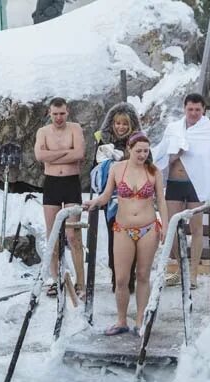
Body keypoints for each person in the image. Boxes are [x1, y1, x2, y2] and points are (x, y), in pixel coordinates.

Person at [84, 132, 169, 336]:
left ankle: (140, 320)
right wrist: (94, 202)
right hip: (122, 228)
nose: (142, 155)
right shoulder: (117, 168)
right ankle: (121, 320)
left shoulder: (154, 171)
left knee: (142, 275)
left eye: (146, 151)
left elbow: (161, 201)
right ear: (129, 149)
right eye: (138, 150)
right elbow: (105, 196)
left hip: (148, 228)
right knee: (121, 278)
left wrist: (165, 225)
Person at [153, 94, 210, 288]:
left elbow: (204, 155)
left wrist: (185, 148)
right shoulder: (173, 128)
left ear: (203, 110)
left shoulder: (207, 129)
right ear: (184, 108)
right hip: (174, 181)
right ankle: (181, 270)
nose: (194, 113)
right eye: (190, 109)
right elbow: (162, 153)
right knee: (172, 226)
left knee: (196, 228)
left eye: (198, 110)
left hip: (196, 184)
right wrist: (174, 155)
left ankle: (193, 274)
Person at [34, 97, 86, 298]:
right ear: (49, 113)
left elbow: (79, 153)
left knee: (73, 235)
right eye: (55, 114)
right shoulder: (43, 132)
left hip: (71, 183)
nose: (58, 118)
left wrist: (52, 155)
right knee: (53, 235)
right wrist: (66, 153)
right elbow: (39, 156)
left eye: (62, 113)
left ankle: (80, 281)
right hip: (52, 184)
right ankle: (56, 280)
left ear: (68, 111)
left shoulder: (75, 128)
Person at [92, 102, 142, 293]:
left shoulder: (139, 142)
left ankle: (130, 275)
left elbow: (149, 165)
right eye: (117, 123)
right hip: (111, 197)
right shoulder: (103, 143)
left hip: (135, 199)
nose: (120, 127)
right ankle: (117, 276)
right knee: (115, 237)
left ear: (131, 126)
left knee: (133, 237)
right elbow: (93, 170)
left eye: (124, 124)